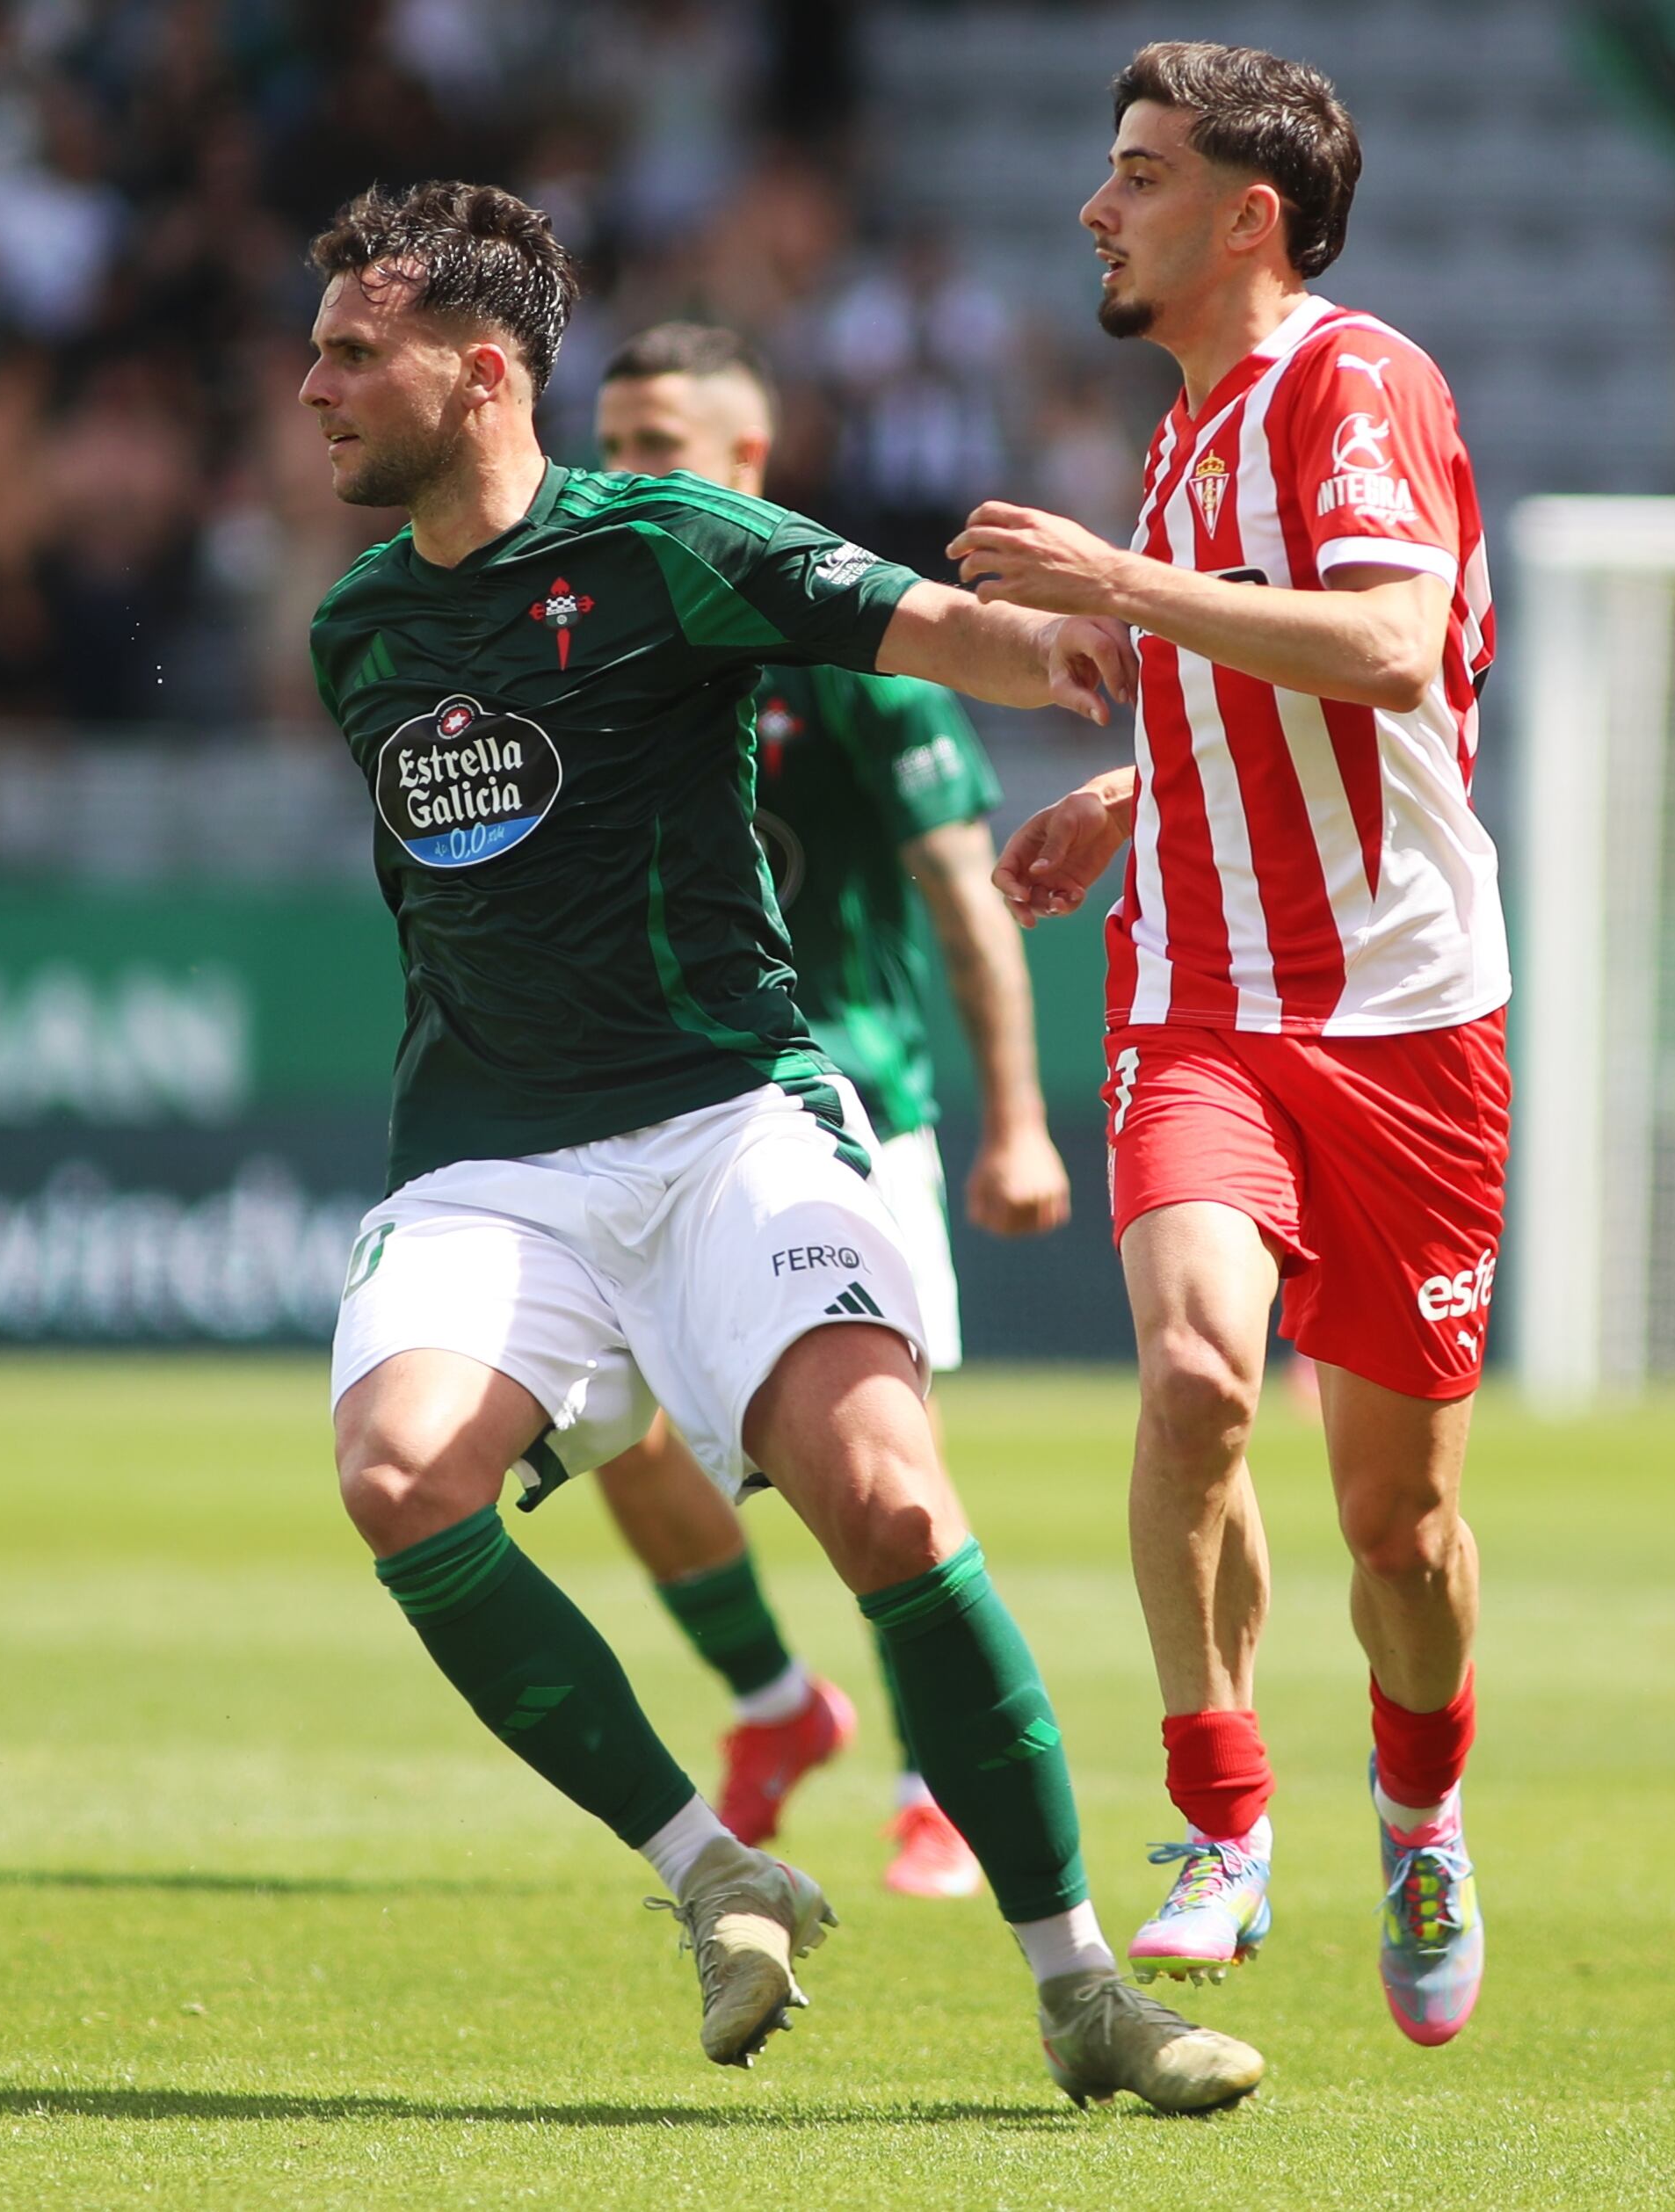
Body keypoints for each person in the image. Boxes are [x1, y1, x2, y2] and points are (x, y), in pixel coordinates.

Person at [301, 178, 1261, 2113]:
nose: (308, 383)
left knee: (894, 1506)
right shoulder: (360, 629)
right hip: (495, 1163)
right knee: (401, 1474)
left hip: (732, 1113)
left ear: (479, 373)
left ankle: (1083, 1985)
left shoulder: (665, 540)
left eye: (348, 350)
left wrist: (1092, 650)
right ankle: (712, 1863)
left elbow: (929, 625)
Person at [961, 42, 1505, 2047]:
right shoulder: (1189, 438)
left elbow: (1379, 641)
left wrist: (1116, 589)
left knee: (1397, 1521)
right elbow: (1251, 672)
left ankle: (1420, 1800)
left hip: (1405, 1023)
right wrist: (1133, 793)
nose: (1097, 208)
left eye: (1136, 174)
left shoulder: (1352, 382)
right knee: (1197, 1374)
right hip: (1197, 998)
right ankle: (1220, 1817)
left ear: (1244, 214)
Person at [589, 321, 1072, 1903]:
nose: (622, 474)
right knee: (614, 1430)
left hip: (848, 1098)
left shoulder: (840, 637)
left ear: (746, 465)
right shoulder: (585, 623)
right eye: (611, 442)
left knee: (876, 1459)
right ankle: (778, 1706)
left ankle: (941, 1778)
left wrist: (1015, 1118)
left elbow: (963, 889)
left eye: (661, 448)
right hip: (658, 1103)